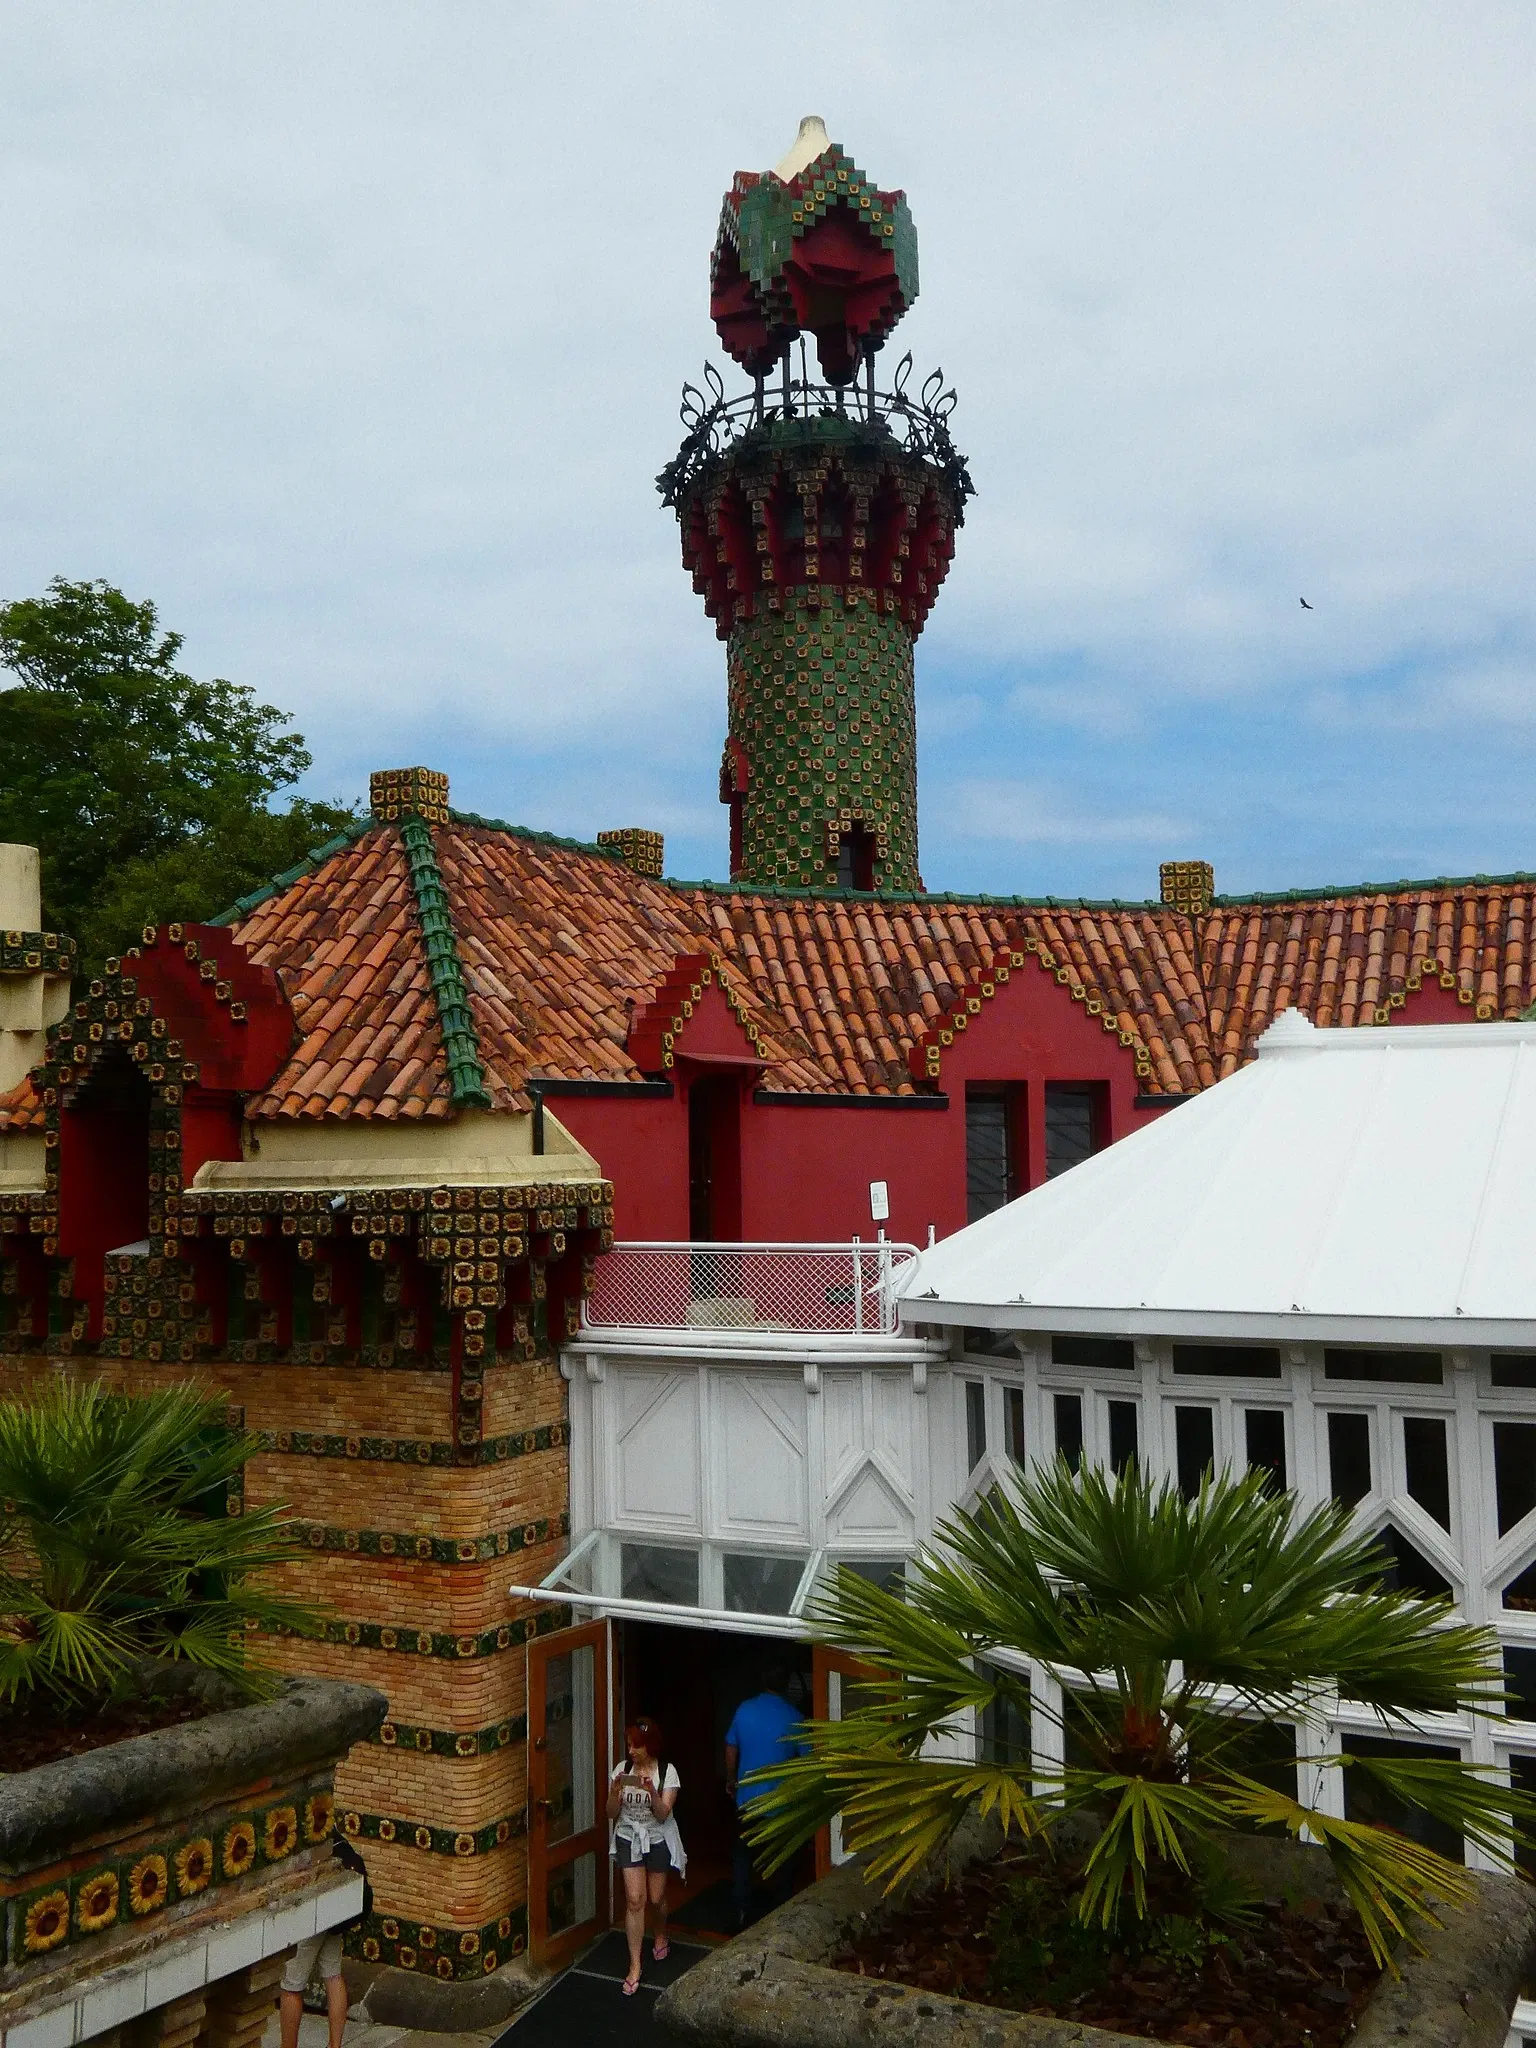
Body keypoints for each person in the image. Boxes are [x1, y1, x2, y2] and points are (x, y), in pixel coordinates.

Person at [606, 1714, 684, 1996]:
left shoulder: (667, 1772)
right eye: (629, 1745)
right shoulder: (621, 1769)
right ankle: (635, 1965)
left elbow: (663, 1815)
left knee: (655, 1898)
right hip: (629, 1837)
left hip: (658, 1838)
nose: (631, 1751)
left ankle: (661, 1931)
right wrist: (615, 1793)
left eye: (636, 1746)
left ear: (649, 1746)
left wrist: (651, 1792)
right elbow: (610, 1814)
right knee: (635, 1900)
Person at [724, 1662, 804, 1930]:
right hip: (782, 1804)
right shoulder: (794, 1717)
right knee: (784, 1860)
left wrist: (731, 1778)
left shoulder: (745, 1710)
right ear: (786, 1684)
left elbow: (731, 1746)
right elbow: (809, 1763)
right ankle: (781, 1916)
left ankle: (740, 1911)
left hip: (748, 1800)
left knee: (743, 1857)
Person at [278, 1837, 371, 2048]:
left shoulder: (301, 1831)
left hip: (308, 1917)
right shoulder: (332, 1832)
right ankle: (334, 2045)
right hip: (334, 1914)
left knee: (292, 1985)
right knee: (333, 1975)